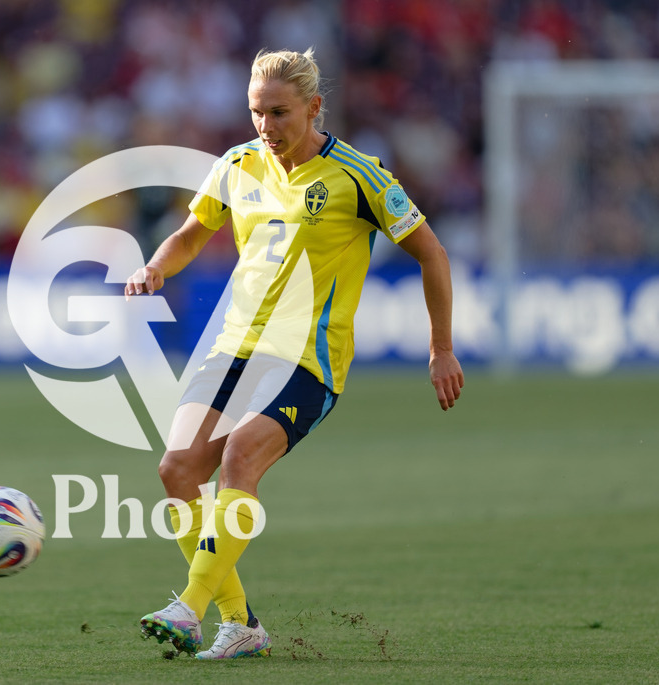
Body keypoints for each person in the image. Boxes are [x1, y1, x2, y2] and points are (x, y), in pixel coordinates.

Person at [125, 47, 464, 660]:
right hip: (233, 350)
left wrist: (441, 348)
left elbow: (432, 254)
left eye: (280, 113)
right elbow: (191, 233)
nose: (266, 127)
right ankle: (241, 624)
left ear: (314, 108)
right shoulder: (237, 165)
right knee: (176, 473)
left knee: (240, 456)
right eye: (257, 113)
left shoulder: (358, 175)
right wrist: (155, 267)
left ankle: (188, 608)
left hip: (307, 360)